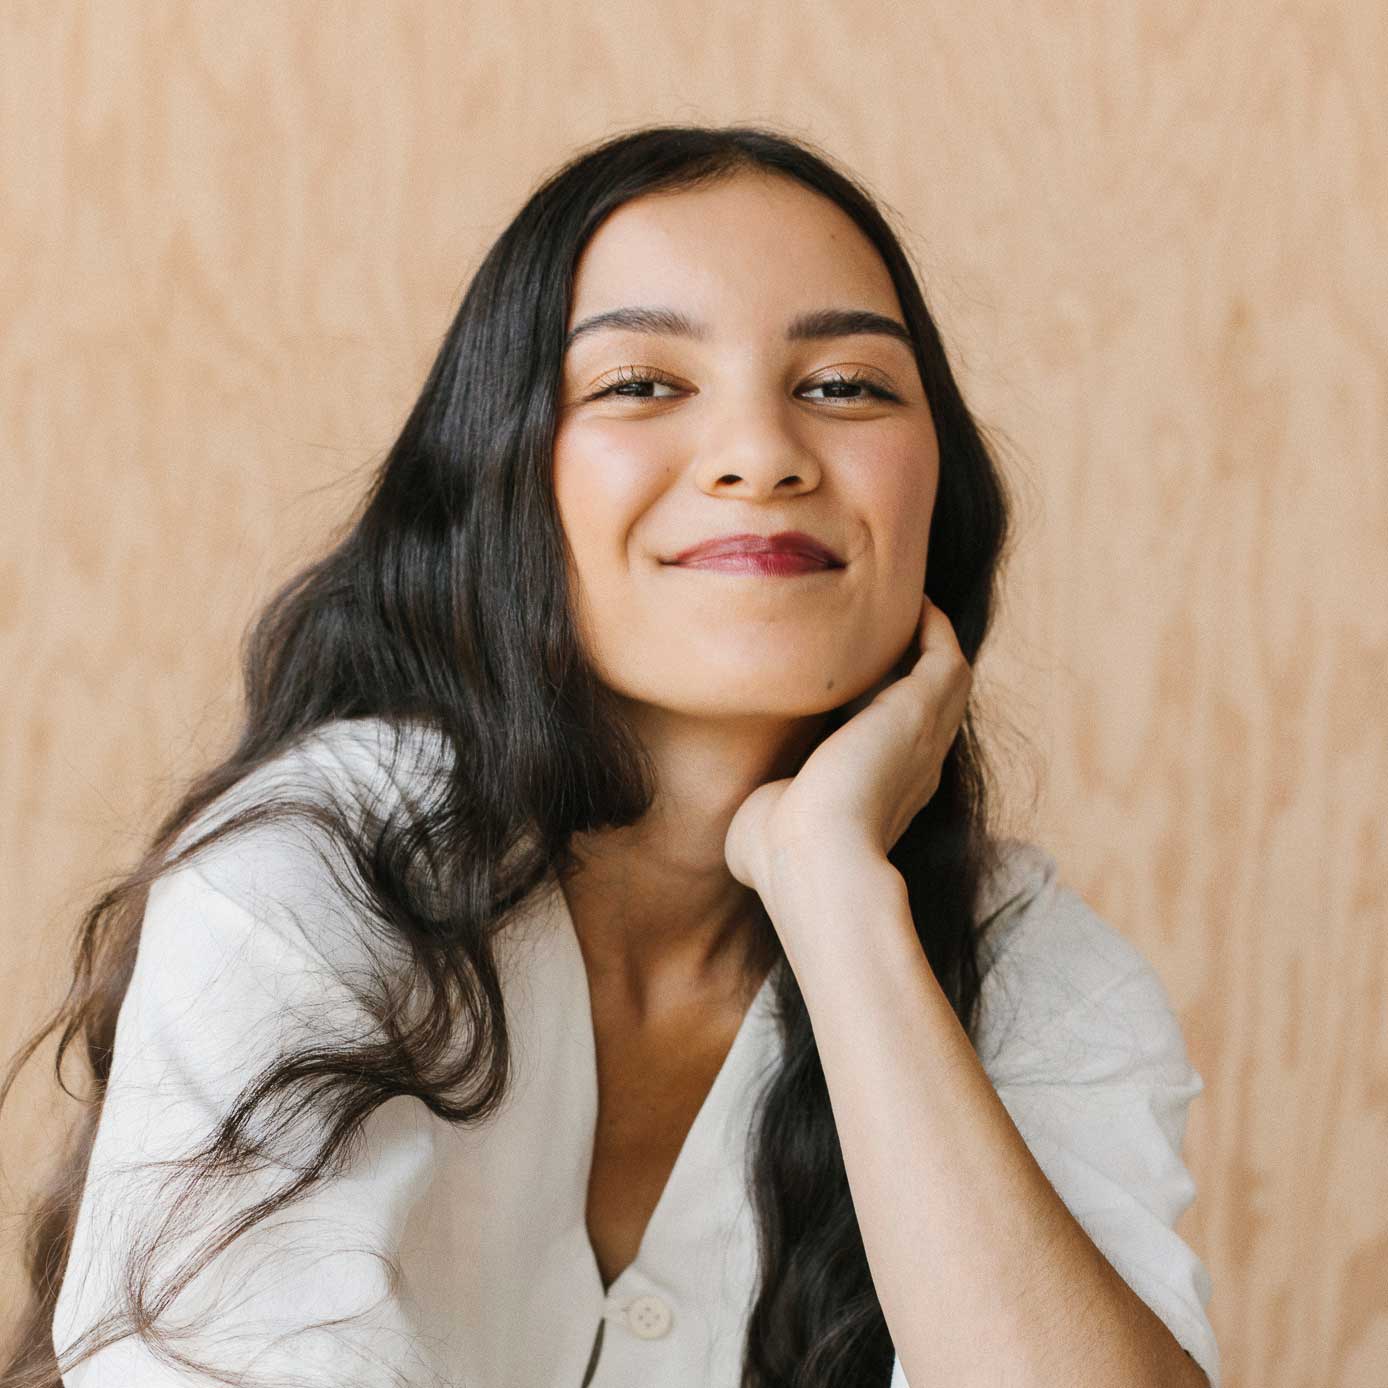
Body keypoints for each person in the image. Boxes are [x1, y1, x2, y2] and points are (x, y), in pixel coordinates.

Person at [1, 124, 1220, 1388]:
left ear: (938, 494)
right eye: (640, 382)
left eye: (846, 385)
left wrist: (834, 896)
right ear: (500, 475)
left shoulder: (1033, 964)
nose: (762, 453)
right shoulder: (311, 875)